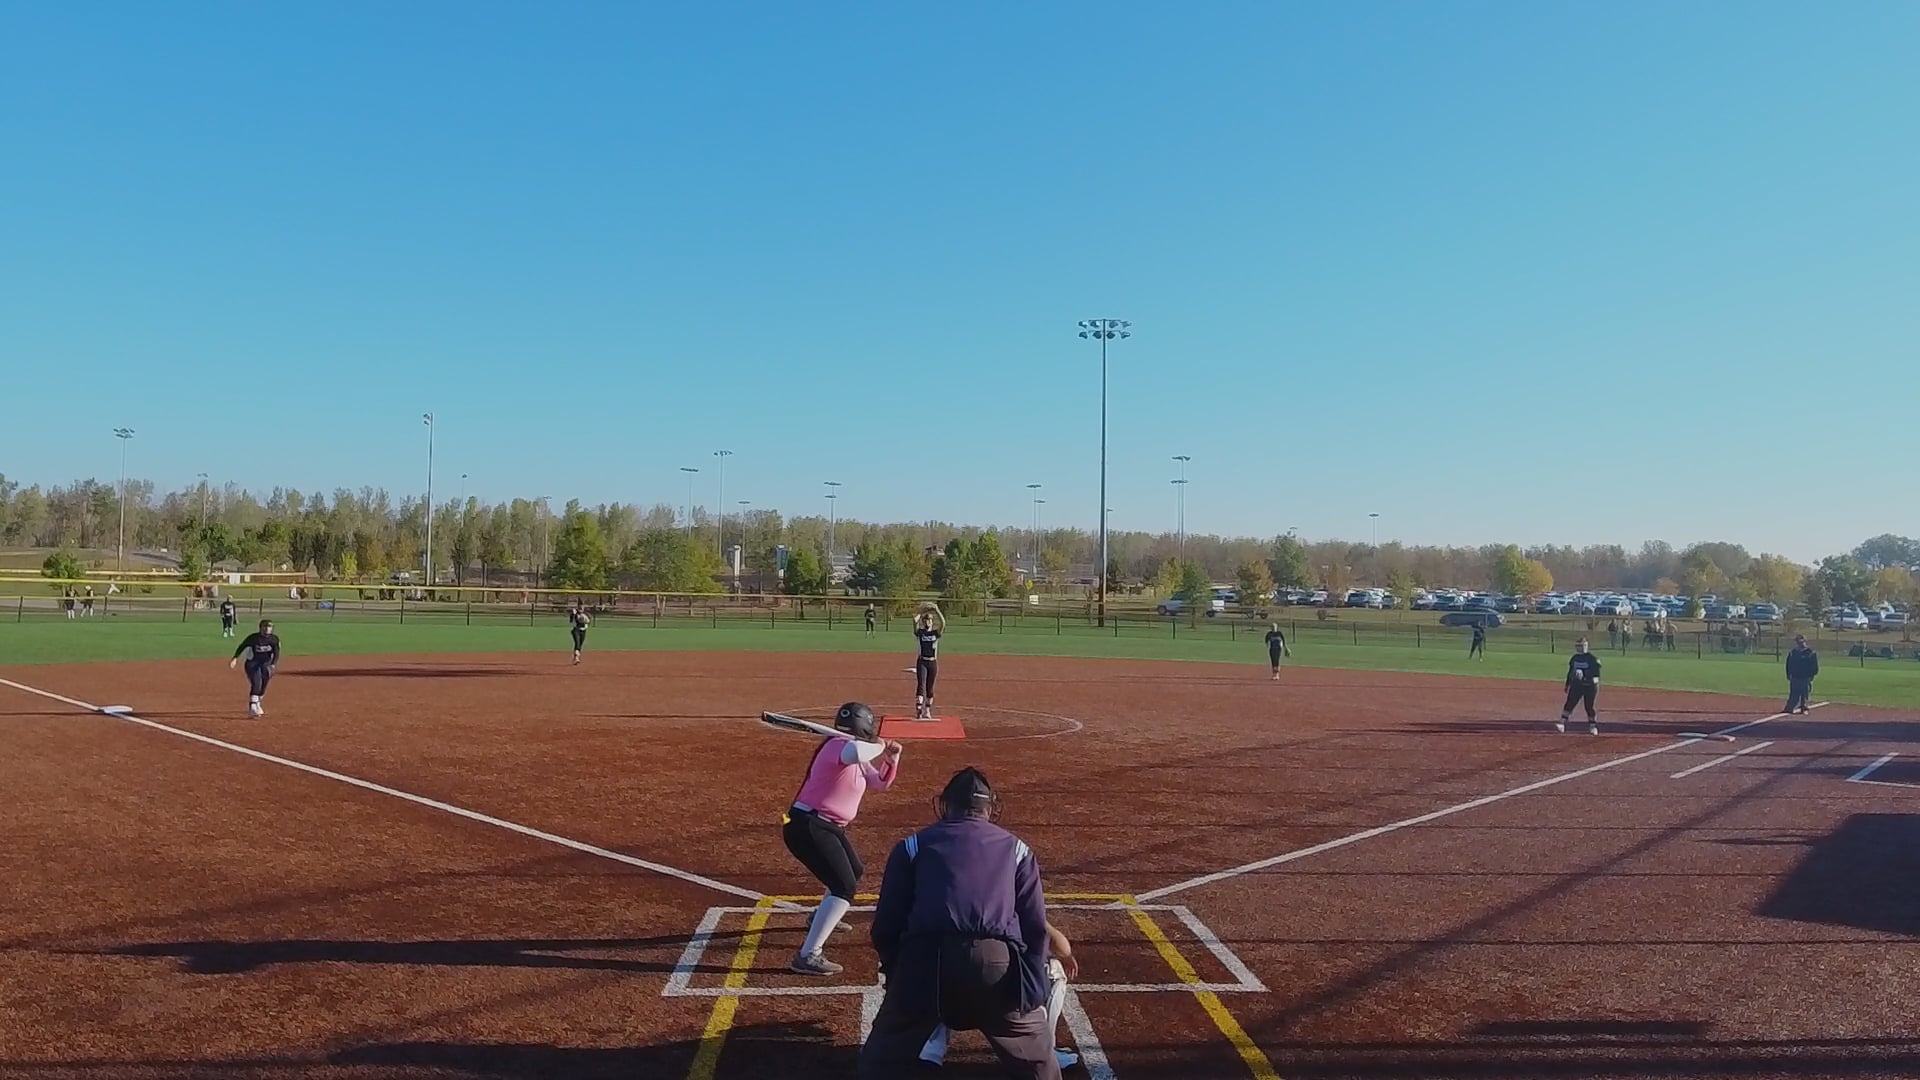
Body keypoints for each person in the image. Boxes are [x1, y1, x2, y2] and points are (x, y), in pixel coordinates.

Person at [860, 768, 1066, 1080]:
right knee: (1038, 1064)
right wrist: (1031, 991)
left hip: (925, 963)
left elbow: (886, 925)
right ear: (990, 807)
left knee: (881, 1063)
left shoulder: (912, 846)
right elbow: (1035, 928)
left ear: (945, 805)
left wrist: (898, 974)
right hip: (994, 965)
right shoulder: (1017, 849)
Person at [782, 702, 902, 976]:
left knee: (853, 871)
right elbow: (857, 751)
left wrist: (892, 759)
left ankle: (821, 916)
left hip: (827, 826)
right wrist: (880, 745)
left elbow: (880, 783)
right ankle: (808, 956)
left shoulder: (854, 754)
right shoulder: (839, 747)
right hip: (807, 825)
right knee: (844, 886)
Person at [228, 619, 281, 718]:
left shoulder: (274, 639)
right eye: (265, 627)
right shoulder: (254, 638)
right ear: (260, 628)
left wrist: (273, 664)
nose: (267, 629)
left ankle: (257, 703)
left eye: (269, 627)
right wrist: (235, 658)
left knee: (264, 684)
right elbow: (242, 646)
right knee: (256, 683)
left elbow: (276, 652)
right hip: (252, 663)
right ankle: (252, 707)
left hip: (266, 664)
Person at [1556, 637, 1602, 735]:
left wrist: (1585, 676)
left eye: (1582, 646)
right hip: (1577, 685)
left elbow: (1596, 675)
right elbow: (1570, 672)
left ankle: (1592, 726)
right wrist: (1568, 684)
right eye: (1579, 646)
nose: (1580, 648)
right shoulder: (1575, 658)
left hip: (1590, 686)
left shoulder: (1592, 659)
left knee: (1589, 706)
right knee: (1570, 703)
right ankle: (1562, 722)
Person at [912, 604, 946, 720]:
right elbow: (914, 620)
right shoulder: (920, 633)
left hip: (932, 662)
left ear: (932, 622)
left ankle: (927, 710)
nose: (928, 622)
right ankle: (919, 709)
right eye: (926, 620)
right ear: (923, 622)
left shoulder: (935, 633)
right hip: (922, 661)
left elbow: (943, 623)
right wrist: (922, 611)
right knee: (921, 685)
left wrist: (937, 610)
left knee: (930, 687)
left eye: (930, 620)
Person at [1785, 634, 1819, 715]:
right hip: (1795, 676)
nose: (1799, 643)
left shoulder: (1810, 652)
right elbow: (1788, 664)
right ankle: (1790, 708)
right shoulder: (1793, 652)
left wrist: (1812, 675)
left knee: (1805, 693)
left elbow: (1814, 665)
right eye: (1797, 641)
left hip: (1806, 677)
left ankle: (1804, 708)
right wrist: (1788, 674)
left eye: (1800, 641)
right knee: (1793, 693)